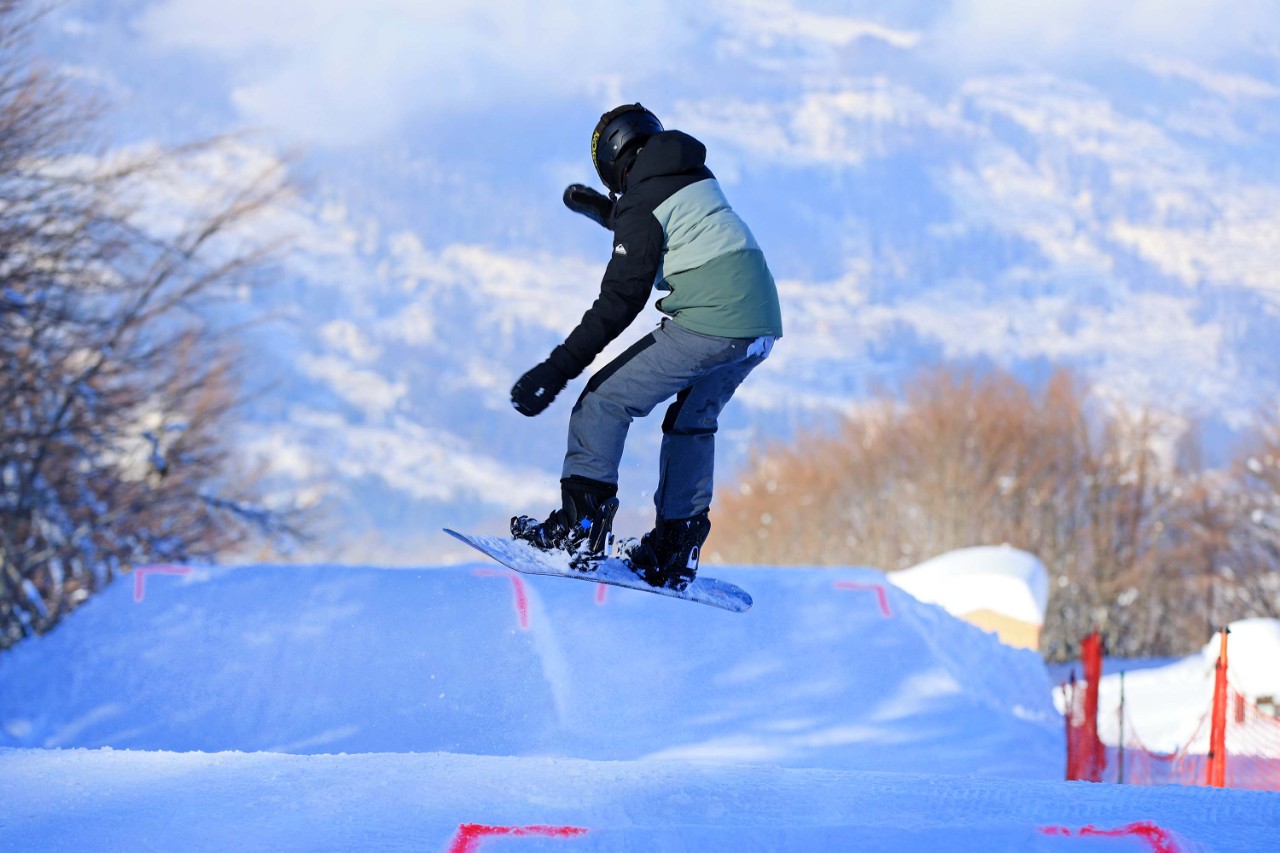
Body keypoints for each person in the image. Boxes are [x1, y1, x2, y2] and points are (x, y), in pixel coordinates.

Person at [509, 103, 782, 590]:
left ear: (611, 158)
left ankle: (579, 532)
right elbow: (655, 220)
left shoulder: (642, 202)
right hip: (759, 323)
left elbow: (621, 299)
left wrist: (556, 369)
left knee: (603, 401)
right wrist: (602, 211)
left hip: (711, 322)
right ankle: (675, 548)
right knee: (691, 423)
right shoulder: (693, 172)